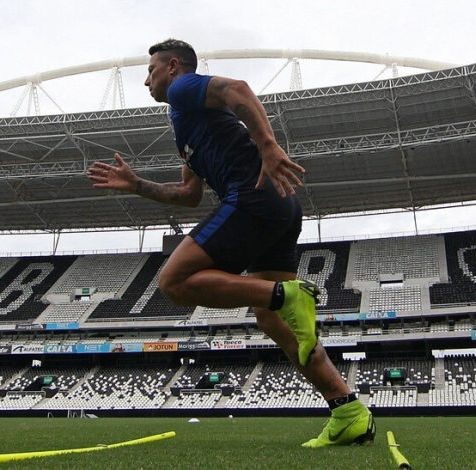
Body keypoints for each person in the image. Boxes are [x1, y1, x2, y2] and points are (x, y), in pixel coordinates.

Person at [87, 38, 374, 447]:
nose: (145, 80)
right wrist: (136, 185)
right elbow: (188, 195)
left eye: (150, 71)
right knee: (272, 318)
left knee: (174, 281)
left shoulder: (185, 88)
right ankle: (347, 409)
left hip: (255, 195)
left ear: (172, 67)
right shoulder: (184, 123)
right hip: (278, 206)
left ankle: (287, 295)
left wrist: (269, 147)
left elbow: (237, 89)